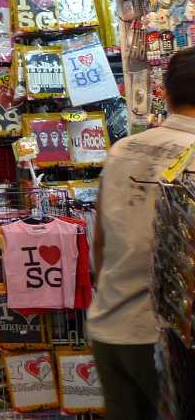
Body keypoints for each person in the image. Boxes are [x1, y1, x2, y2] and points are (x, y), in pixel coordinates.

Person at [89, 48, 195, 420]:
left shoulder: (121, 151)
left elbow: (99, 242)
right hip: (174, 343)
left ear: (165, 94)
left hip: (111, 328)